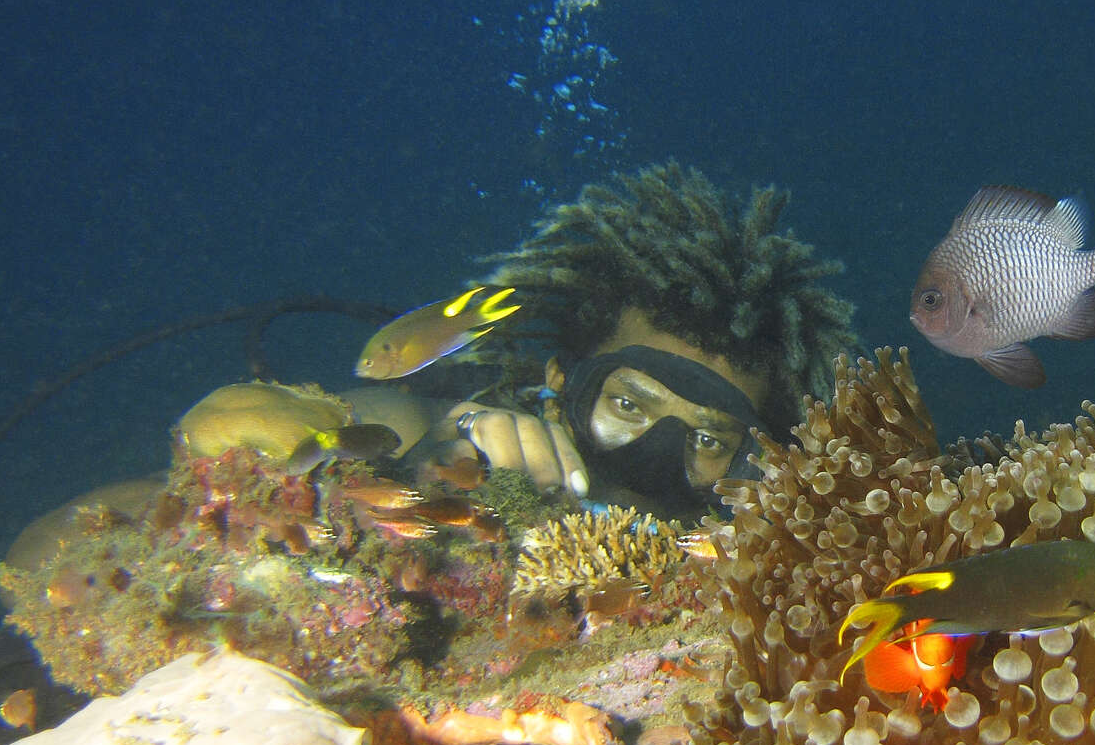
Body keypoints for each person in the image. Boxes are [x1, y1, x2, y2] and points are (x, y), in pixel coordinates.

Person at [351, 164, 860, 521]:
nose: (655, 455)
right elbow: (355, 417)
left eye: (710, 440)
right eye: (625, 402)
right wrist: (437, 446)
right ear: (560, 381)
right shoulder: (462, 435)